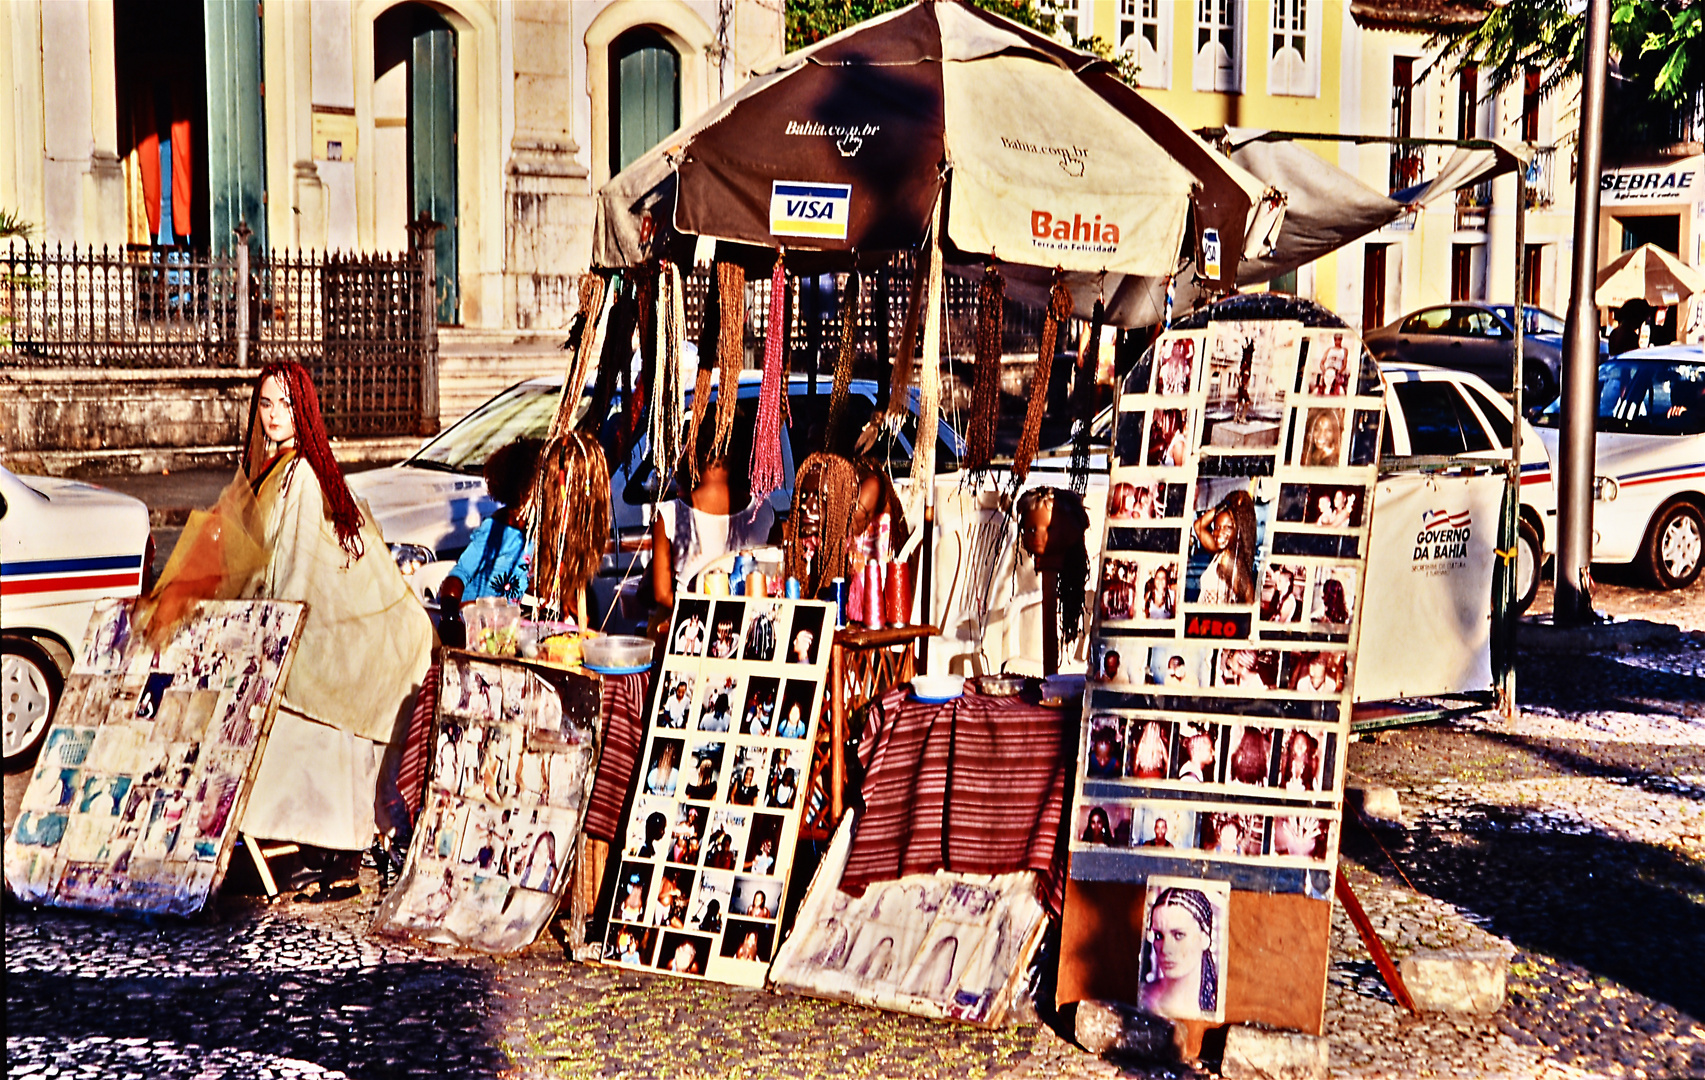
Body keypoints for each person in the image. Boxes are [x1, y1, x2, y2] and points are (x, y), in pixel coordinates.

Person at [157, 363, 435, 895]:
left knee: (311, 731)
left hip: (315, 624)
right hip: (282, 621)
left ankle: (330, 851)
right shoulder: (270, 471)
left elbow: (301, 564)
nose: (274, 416)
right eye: (265, 404)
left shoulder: (304, 475)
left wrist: (277, 621)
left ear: (302, 410)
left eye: (285, 405)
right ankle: (305, 845)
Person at [651, 419, 773, 615]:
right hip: (749, 625)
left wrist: (706, 614)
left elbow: (662, 594)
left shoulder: (669, 516)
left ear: (692, 454)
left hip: (695, 627)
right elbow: (773, 576)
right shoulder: (763, 510)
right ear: (735, 455)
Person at [437, 437, 542, 629]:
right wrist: (451, 619)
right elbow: (459, 575)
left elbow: (527, 582)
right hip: (475, 626)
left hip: (504, 628)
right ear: (525, 492)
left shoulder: (534, 533)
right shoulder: (495, 531)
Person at [1140, 887, 1219, 1019]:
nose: (1165, 949)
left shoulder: (1216, 1003)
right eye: (1159, 936)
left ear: (1205, 939)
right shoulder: (1143, 998)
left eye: (1178, 935)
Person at [1192, 489, 1258, 605]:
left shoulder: (1233, 565)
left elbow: (1250, 603)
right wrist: (1224, 506)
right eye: (1217, 527)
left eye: (1228, 527)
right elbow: (1198, 526)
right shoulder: (1220, 552)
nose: (1219, 533)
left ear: (1238, 532)